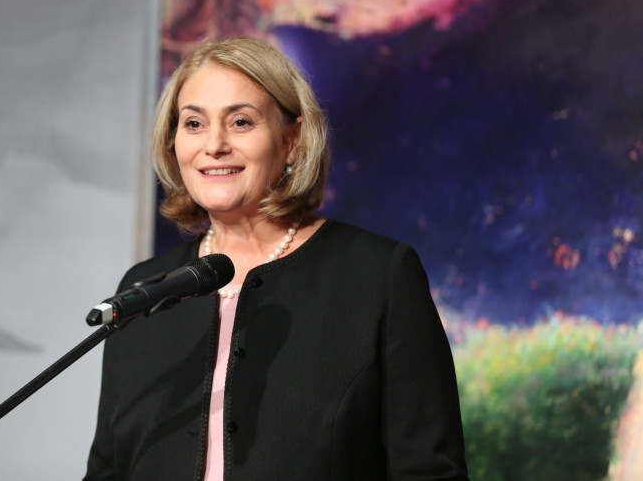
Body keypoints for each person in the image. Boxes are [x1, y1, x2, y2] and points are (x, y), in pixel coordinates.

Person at [84, 37, 469, 481]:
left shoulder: (378, 276)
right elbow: (107, 471)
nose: (214, 145)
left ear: (292, 140)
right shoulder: (145, 290)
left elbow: (428, 471)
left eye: (241, 122)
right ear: (173, 143)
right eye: (193, 123)